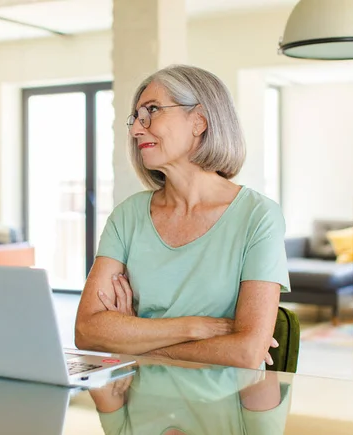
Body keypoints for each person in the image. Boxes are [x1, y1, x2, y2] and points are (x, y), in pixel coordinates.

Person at [74, 64, 290, 370]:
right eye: (135, 118)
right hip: (137, 403)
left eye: (152, 111)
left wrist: (136, 344)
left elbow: (246, 352)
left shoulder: (257, 216)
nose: (136, 128)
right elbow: (87, 331)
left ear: (199, 120)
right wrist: (194, 327)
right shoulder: (128, 216)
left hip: (221, 409)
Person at [88, 362, 292, 435]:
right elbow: (255, 368)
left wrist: (126, 345)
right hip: (222, 306)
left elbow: (100, 379)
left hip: (140, 310)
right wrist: (139, 352)